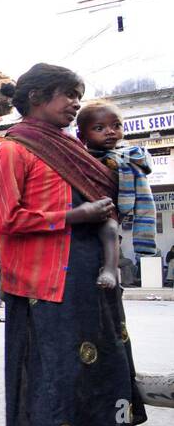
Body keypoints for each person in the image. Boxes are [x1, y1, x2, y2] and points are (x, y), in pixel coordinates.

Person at [0, 63, 146, 426]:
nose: (76, 103)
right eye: (67, 94)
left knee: (101, 372)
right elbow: (7, 220)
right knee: (53, 376)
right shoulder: (13, 151)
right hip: (44, 282)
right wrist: (74, 217)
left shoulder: (78, 148)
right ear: (37, 96)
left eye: (79, 94)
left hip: (92, 277)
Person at [75, 101, 157, 288]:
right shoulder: (78, 159)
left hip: (107, 211)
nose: (110, 131)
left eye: (116, 125)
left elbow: (146, 205)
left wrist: (146, 248)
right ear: (81, 135)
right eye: (99, 128)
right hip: (81, 214)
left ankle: (110, 269)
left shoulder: (129, 160)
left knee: (110, 228)